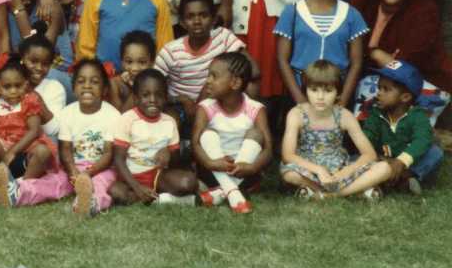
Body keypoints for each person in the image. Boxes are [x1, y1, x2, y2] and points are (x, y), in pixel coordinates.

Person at [0, 59, 120, 217]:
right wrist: (72, 171)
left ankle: (90, 203)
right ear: (74, 87)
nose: (87, 86)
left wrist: (89, 173)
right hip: (71, 167)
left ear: (105, 89)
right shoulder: (68, 113)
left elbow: (108, 154)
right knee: (53, 182)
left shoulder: (112, 115)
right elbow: (65, 149)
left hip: (101, 169)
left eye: (94, 82)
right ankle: (17, 192)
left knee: (100, 184)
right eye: (81, 81)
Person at [352, 0, 452, 126]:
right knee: (368, 88)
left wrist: (371, 53)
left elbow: (403, 68)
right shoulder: (362, 1)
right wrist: (376, 54)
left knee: (406, 128)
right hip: (379, 79)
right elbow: (349, 44)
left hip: (423, 81)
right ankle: (364, 144)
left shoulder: (424, 10)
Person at [280, 60, 390, 200]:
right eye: (314, 90)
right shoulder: (297, 114)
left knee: (384, 168)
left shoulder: (344, 115)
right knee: (290, 175)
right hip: (308, 167)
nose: (320, 97)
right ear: (305, 90)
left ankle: (326, 195)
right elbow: (288, 155)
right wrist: (319, 170)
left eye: (328, 91)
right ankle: (357, 190)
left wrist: (344, 172)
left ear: (338, 91)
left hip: (339, 167)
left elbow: (369, 154)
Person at [275, 0, 368, 109]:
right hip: (300, 96)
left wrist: (342, 101)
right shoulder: (292, 12)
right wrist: (300, 101)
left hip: (337, 97)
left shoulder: (351, 15)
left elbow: (356, 63)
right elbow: (283, 59)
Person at [191, 54, 272, 213]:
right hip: (213, 170)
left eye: (214, 76)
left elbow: (268, 149)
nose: (208, 80)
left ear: (235, 83)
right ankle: (233, 192)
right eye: (208, 75)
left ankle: (222, 191)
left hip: (244, 172)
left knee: (256, 134)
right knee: (206, 134)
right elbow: (195, 144)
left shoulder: (255, 108)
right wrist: (210, 163)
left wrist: (252, 167)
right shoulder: (205, 107)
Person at [155, 0, 249, 123]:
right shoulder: (171, 51)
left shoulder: (223, 37)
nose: (197, 21)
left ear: (214, 19)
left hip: (216, 100)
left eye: (203, 15)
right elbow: (153, 84)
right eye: (190, 16)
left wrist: (205, 94)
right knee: (171, 118)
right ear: (181, 22)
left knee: (250, 85)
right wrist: (180, 99)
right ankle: (176, 142)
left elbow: (252, 69)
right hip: (180, 107)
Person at [109, 69, 198, 206]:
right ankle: (162, 199)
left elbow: (175, 160)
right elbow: (118, 159)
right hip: (131, 176)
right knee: (116, 192)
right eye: (145, 95)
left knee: (188, 182)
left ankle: (149, 197)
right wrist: (137, 187)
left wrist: (169, 152)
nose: (152, 100)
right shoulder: (127, 119)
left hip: (159, 175)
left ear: (166, 97)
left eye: (159, 95)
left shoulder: (169, 121)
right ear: (136, 98)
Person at [0, 55, 57, 201]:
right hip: (3, 153)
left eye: (17, 86)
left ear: (25, 84)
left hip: (25, 151)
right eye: (7, 87)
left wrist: (13, 151)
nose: (13, 91)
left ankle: (21, 186)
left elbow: (33, 131)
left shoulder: (29, 102)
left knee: (43, 151)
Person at [362, 60, 445, 195]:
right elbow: (368, 136)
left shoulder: (417, 116)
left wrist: (401, 162)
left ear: (405, 97)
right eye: (379, 88)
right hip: (384, 162)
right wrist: (377, 157)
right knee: (357, 157)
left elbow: (422, 140)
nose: (379, 93)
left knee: (435, 152)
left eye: (386, 89)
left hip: (409, 164)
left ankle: (402, 178)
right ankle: (395, 181)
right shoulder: (376, 113)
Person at [2, 0, 73, 96]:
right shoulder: (4, 9)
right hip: (25, 73)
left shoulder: (51, 6)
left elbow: (40, 53)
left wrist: (20, 12)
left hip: (55, 74)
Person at [109, 31, 157, 112]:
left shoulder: (156, 83)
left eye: (142, 62)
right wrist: (137, 88)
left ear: (152, 63)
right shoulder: (115, 83)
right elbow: (119, 116)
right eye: (129, 62)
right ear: (121, 61)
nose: (135, 69)